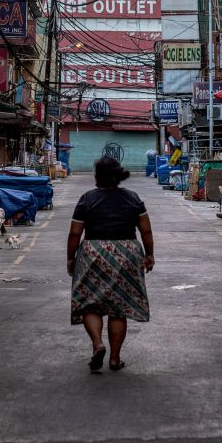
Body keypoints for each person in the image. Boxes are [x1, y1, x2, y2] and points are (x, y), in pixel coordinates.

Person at [67, 156, 154, 372]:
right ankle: (115, 359)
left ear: (97, 177)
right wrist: (149, 254)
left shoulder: (87, 199)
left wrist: (70, 257)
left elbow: (75, 233)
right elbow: (146, 230)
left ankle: (98, 344)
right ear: (119, 176)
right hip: (127, 254)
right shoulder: (133, 198)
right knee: (119, 307)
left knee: (89, 302)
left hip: (93, 252)